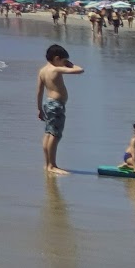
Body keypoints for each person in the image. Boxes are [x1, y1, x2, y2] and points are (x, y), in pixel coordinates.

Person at [37, 43, 84, 176]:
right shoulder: (55, 69)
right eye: (63, 61)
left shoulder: (42, 70)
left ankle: (47, 164)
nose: (65, 64)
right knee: (55, 135)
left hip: (48, 103)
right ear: (57, 59)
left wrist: (39, 108)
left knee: (48, 133)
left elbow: (39, 91)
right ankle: (52, 165)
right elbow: (80, 70)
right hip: (57, 105)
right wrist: (70, 64)